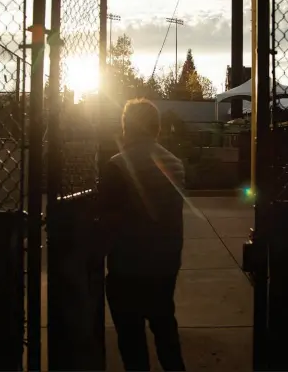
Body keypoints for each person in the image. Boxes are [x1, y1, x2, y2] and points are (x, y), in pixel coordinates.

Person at [98, 98, 186, 372]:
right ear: (156, 128)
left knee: (131, 337)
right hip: (165, 263)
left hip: (128, 266)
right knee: (164, 327)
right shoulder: (175, 164)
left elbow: (109, 221)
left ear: (126, 127)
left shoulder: (117, 166)